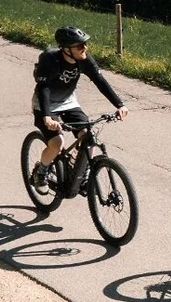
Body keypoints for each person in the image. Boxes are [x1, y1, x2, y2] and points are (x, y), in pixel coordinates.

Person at [29, 26, 127, 192]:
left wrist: (119, 104)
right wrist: (47, 117)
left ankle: (82, 173)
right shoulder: (50, 59)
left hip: (68, 101)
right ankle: (41, 171)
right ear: (66, 49)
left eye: (85, 44)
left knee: (89, 138)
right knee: (57, 143)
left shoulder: (84, 59)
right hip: (45, 104)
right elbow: (43, 88)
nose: (85, 48)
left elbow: (99, 81)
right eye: (80, 46)